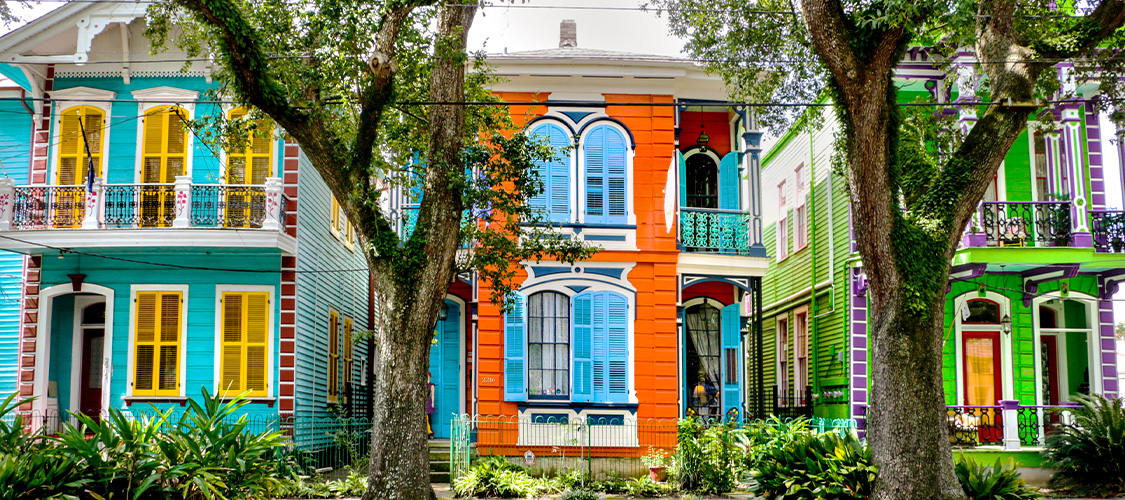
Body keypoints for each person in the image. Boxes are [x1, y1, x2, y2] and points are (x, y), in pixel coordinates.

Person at [426, 372, 436, 439]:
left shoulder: (431, 385)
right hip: (423, 401)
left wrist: (432, 403)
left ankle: (430, 431)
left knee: (429, 416)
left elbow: (433, 395)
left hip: (428, 401)